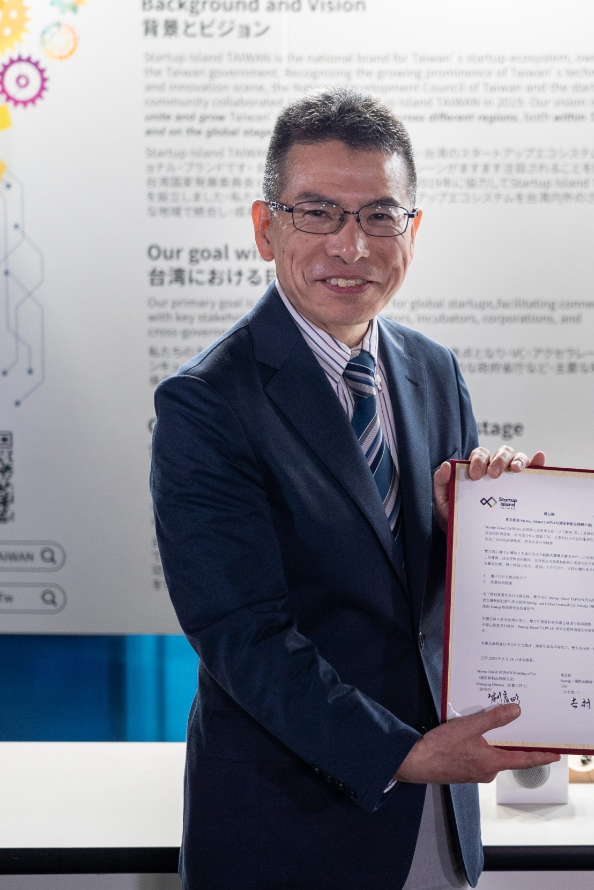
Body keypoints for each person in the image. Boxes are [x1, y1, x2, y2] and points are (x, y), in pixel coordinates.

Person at [150, 89, 558, 890]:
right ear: (267, 229)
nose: (351, 245)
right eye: (317, 213)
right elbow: (241, 633)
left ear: (412, 230)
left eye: (379, 215)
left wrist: (490, 527)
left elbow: (430, 598)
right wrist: (402, 753)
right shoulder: (206, 401)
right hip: (293, 826)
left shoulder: (433, 370)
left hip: (437, 820)